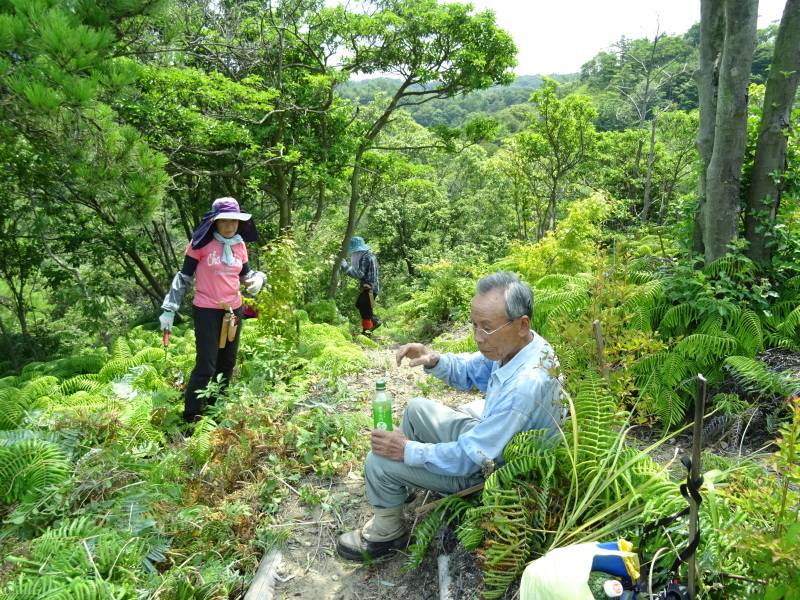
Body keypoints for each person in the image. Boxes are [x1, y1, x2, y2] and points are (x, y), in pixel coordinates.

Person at [336, 270, 563, 561]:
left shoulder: (526, 385)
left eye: (487, 328)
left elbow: (470, 458)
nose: (478, 338)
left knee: (379, 460)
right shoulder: (523, 345)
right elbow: (473, 369)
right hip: (493, 444)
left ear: (521, 324)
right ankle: (397, 489)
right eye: (475, 326)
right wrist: (434, 359)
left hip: (496, 475)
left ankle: (387, 534)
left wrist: (405, 451)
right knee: (418, 408)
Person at [159, 197, 266, 424]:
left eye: (234, 221)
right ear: (214, 223)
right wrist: (169, 308)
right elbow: (184, 276)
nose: (229, 226)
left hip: (234, 310)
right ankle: (192, 417)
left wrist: (257, 279)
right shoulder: (201, 243)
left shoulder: (239, 244)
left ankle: (217, 411)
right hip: (207, 309)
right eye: (224, 221)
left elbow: (245, 274)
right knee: (206, 364)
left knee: (227, 362)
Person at [340, 236, 381, 335]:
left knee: (365, 310)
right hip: (371, 287)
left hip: (369, 288)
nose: (353, 254)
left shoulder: (364, 258)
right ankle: (374, 322)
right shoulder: (369, 255)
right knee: (361, 306)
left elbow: (359, 274)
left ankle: (367, 331)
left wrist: (346, 267)